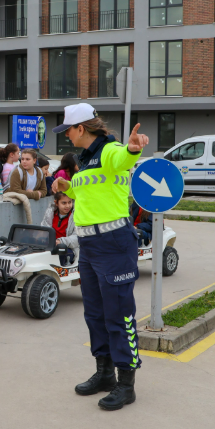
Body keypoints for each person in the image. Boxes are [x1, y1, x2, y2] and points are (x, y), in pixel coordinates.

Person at [52, 102, 149, 411]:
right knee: (94, 313)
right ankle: (104, 373)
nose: (66, 134)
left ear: (81, 128)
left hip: (113, 244)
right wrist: (69, 186)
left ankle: (126, 384)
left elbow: (122, 159)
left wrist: (133, 150)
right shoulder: (84, 160)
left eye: (68, 129)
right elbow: (91, 193)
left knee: (118, 315)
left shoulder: (110, 150)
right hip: (89, 246)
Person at [41, 192, 79, 266]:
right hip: (50, 246)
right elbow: (44, 229)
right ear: (56, 203)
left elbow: (77, 238)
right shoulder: (50, 212)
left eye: (69, 202)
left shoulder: (76, 215)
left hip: (69, 248)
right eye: (64, 203)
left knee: (60, 251)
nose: (67, 206)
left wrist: (60, 241)